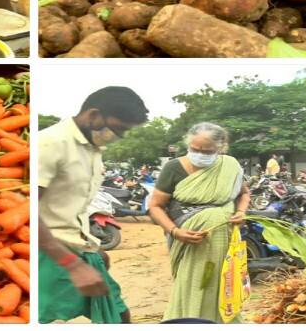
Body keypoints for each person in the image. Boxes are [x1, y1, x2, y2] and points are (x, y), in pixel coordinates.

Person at [39, 86, 149, 324]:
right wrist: (70, 263)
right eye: (119, 128)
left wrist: (91, 246)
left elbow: (72, 206)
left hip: (80, 249)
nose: (119, 136)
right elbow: (24, 209)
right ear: (93, 115)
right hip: (48, 253)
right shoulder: (50, 143)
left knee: (117, 313)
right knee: (43, 317)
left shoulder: (93, 149)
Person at [149, 122, 250, 323]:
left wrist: (240, 212)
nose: (200, 154)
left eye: (207, 151)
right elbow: (155, 206)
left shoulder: (229, 166)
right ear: (188, 145)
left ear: (220, 148)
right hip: (190, 244)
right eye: (195, 149)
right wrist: (175, 232)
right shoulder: (173, 168)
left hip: (225, 243)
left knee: (223, 285)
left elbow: (244, 194)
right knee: (193, 284)